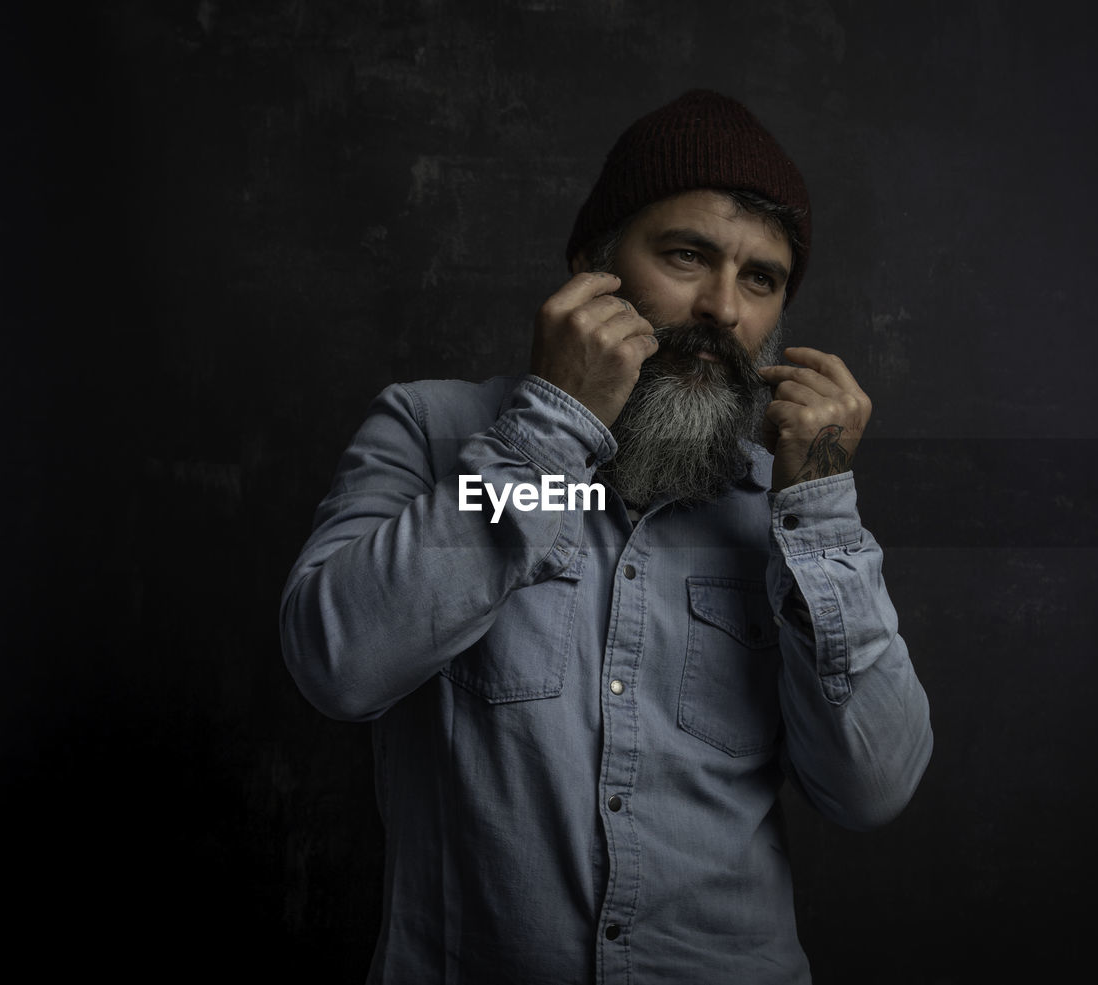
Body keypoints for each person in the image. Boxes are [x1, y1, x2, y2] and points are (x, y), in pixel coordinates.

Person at [280, 89, 933, 985]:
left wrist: (820, 509)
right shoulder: (433, 433)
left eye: (761, 278)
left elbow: (873, 788)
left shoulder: (784, 503)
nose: (723, 309)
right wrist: (551, 426)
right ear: (595, 263)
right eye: (686, 255)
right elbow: (336, 661)